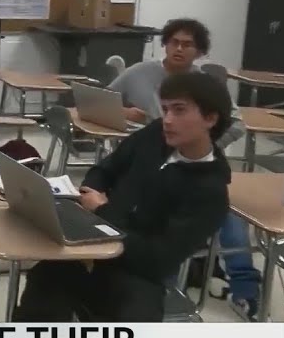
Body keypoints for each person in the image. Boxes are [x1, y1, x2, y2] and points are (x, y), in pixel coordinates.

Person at [0, 71, 233, 338]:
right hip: (84, 251)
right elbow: (105, 169)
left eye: (180, 111)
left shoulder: (210, 193)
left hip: (133, 274)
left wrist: (103, 214)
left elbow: (157, 258)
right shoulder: (155, 134)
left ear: (210, 119)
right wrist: (88, 193)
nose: (168, 119)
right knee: (28, 337)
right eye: (166, 109)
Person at [107, 18, 261, 318]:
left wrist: (202, 141)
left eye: (187, 44)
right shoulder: (140, 72)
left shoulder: (205, 87)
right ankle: (159, 279)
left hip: (192, 163)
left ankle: (245, 289)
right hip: (145, 157)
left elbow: (236, 123)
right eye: (173, 42)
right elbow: (106, 97)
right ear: (164, 43)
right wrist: (125, 112)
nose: (178, 49)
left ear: (199, 51)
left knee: (228, 216)